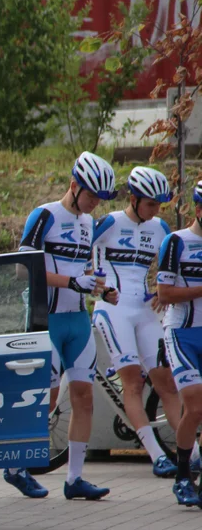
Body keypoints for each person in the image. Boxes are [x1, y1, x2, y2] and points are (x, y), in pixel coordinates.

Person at [8, 151, 118, 500]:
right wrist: (72, 283)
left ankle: (74, 479)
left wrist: (101, 288)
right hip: (47, 319)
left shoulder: (88, 223)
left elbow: (80, 272)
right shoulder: (45, 216)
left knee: (84, 398)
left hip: (78, 320)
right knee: (47, 399)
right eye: (91, 196)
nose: (95, 203)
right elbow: (22, 270)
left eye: (100, 199)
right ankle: (15, 466)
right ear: (73, 186)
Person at [91, 166, 185, 478]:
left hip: (144, 308)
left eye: (159, 205)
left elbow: (173, 264)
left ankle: (192, 455)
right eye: (150, 204)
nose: (156, 210)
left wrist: (163, 287)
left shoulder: (159, 227)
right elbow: (79, 258)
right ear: (133, 198)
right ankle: (157, 455)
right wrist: (98, 288)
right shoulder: (109, 223)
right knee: (132, 382)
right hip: (113, 308)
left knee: (167, 381)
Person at [157, 179, 202, 507]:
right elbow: (165, 294)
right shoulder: (176, 242)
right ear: (199, 211)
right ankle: (183, 476)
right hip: (182, 333)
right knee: (196, 406)